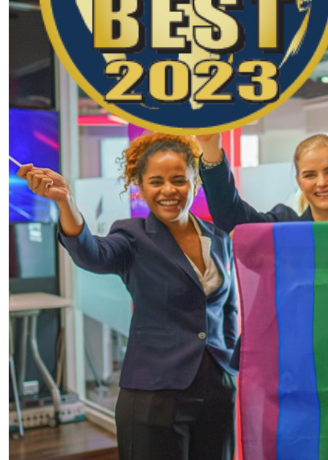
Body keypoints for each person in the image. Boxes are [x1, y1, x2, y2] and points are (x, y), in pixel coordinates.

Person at [18, 133, 237, 460]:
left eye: (179, 180)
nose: (168, 191)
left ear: (195, 182)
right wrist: (66, 201)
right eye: (156, 181)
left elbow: (228, 306)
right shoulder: (133, 236)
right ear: (140, 185)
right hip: (154, 393)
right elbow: (91, 253)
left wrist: (231, 362)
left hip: (217, 389)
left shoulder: (217, 236)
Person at [196, 133, 328, 233]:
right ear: (299, 181)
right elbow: (231, 217)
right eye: (310, 175)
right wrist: (210, 146)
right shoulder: (282, 229)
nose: (321, 182)